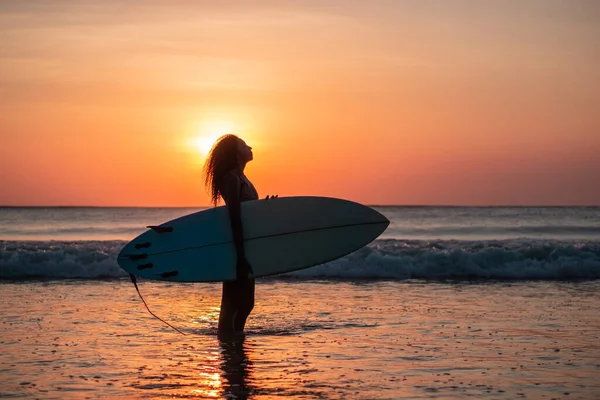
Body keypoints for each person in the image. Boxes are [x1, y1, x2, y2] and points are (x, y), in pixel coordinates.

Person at [203, 134, 258, 336]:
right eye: (244, 144)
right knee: (233, 302)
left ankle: (233, 342)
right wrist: (240, 256)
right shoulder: (232, 179)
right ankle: (229, 347)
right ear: (236, 152)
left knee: (246, 304)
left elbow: (248, 213)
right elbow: (234, 217)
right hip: (236, 247)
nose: (250, 146)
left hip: (246, 246)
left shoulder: (242, 178)